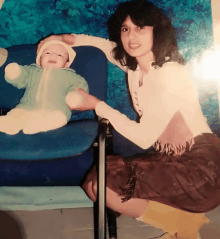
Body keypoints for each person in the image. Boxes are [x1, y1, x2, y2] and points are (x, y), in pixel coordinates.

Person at [38, 1, 220, 238]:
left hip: (201, 167)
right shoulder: (135, 67)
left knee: (106, 187)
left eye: (140, 28)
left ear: (157, 31)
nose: (131, 37)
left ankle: (182, 227)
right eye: (126, 29)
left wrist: (97, 105)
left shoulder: (171, 74)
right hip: (169, 159)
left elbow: (143, 138)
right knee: (95, 185)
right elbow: (103, 45)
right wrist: (65, 38)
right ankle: (184, 225)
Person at [1, 40, 88, 135]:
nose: (53, 55)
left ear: (67, 64)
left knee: (58, 118)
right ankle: (9, 124)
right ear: (39, 59)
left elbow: (79, 85)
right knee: (16, 114)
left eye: (60, 55)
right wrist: (15, 72)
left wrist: (75, 96)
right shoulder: (32, 71)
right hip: (26, 108)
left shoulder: (70, 76)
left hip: (56, 110)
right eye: (47, 53)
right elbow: (22, 78)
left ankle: (39, 125)